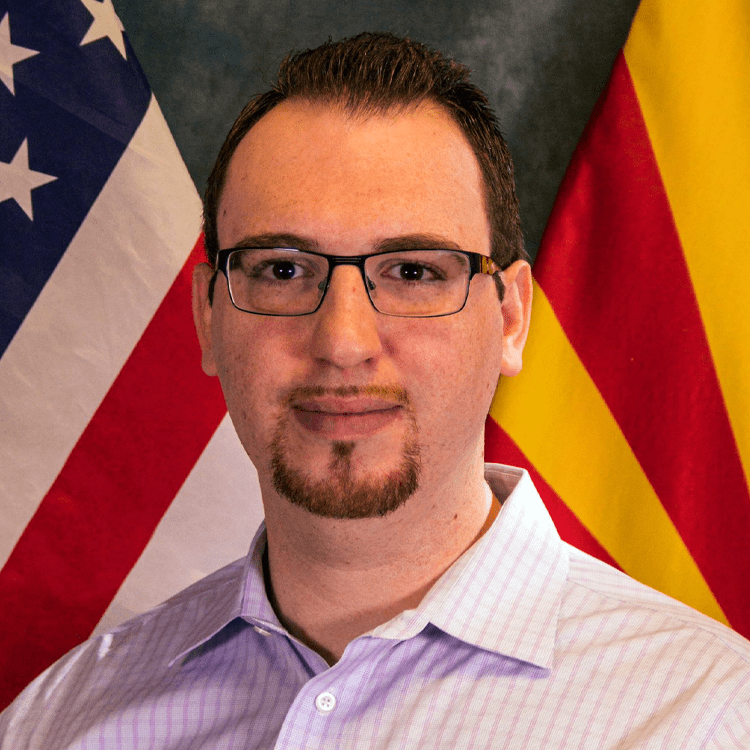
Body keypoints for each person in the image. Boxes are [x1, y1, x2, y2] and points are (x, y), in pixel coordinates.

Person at [2, 31, 749, 750]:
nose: (343, 342)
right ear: (207, 316)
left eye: (414, 271)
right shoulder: (58, 724)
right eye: (283, 270)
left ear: (511, 319)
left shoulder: (708, 720)